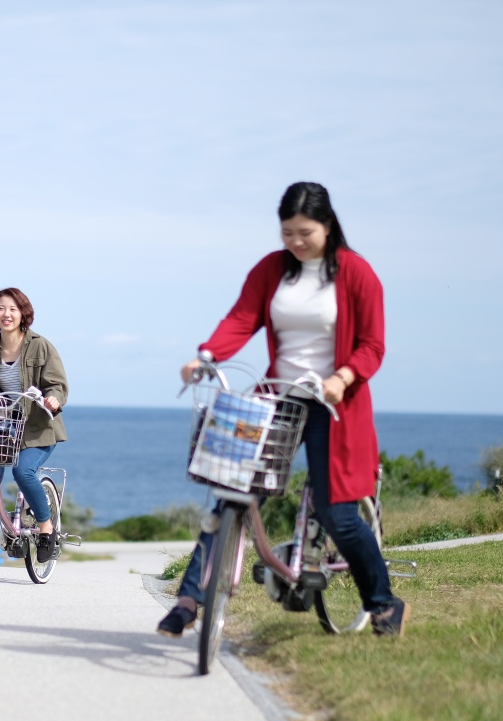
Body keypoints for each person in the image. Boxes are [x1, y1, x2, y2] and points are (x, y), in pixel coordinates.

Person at [157, 182, 410, 637]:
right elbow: (241, 318)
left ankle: (384, 602)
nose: (295, 242)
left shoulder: (356, 273)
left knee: (339, 516)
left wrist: (343, 377)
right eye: (287, 232)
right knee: (232, 489)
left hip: (334, 405)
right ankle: (190, 599)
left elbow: (372, 345)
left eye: (305, 233)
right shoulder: (273, 269)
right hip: (278, 398)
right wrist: (207, 357)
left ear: (328, 226)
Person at [0, 288, 69, 563]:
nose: (7, 314)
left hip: (39, 428)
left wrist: (53, 399)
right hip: (4, 425)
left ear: (23, 313)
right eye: (1, 308)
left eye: (13, 309)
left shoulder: (41, 346)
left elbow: (57, 384)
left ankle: (46, 528)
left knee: (23, 472)